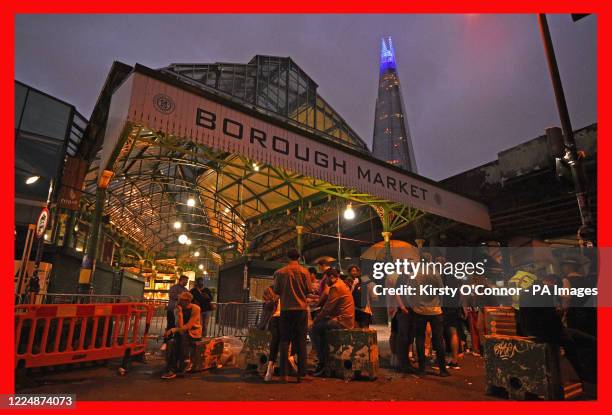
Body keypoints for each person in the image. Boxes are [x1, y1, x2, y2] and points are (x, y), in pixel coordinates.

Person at [519, 274, 597, 383]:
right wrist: (559, 317)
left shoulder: (525, 292)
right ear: (554, 282)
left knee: (573, 339)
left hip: (531, 332)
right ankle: (585, 377)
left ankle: (582, 376)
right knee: (587, 342)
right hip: (546, 334)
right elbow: (551, 322)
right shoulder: (545, 292)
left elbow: (525, 317)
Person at [272, 249, 313, 382]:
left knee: (285, 341)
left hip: (286, 310)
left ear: (287, 257)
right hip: (301, 310)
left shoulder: (279, 272)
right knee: (301, 342)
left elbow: (276, 290)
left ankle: (283, 374)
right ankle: (301, 374)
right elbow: (308, 290)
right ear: (299, 257)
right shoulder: (305, 272)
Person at [311, 267, 355, 376]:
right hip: (345, 319)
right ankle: (326, 360)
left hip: (343, 321)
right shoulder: (341, 284)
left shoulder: (336, 287)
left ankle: (322, 363)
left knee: (314, 329)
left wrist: (315, 319)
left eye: (325, 280)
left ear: (331, 277)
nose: (325, 283)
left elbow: (327, 308)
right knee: (322, 328)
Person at [409, 260, 450, 377]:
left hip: (419, 311)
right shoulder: (435, 273)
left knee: (420, 339)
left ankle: (422, 369)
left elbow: (409, 293)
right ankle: (442, 369)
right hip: (435, 311)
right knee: (438, 339)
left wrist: (414, 305)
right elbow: (442, 290)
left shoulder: (415, 274)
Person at [161, 291, 202, 379]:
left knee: (181, 338)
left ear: (188, 301)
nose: (179, 301)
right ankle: (173, 367)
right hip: (182, 332)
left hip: (193, 333)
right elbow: (181, 326)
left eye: (182, 300)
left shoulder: (196, 308)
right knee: (173, 341)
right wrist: (180, 314)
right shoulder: (179, 308)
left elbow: (188, 326)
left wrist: (173, 330)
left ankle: (176, 367)